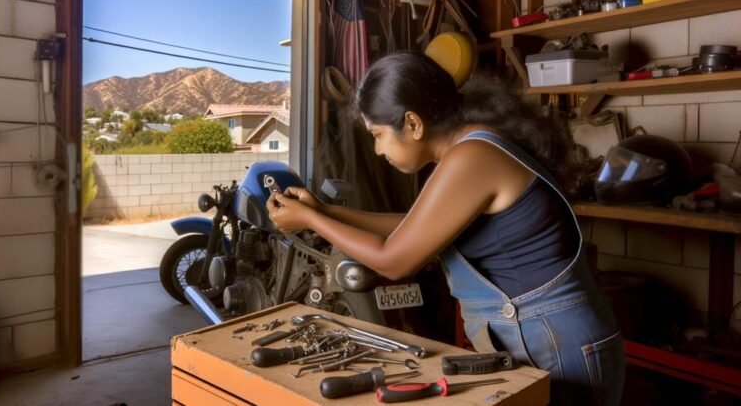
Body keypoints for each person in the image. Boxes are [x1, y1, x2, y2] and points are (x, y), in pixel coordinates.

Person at [267, 51, 624, 405]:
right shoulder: (470, 147)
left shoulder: (471, 157)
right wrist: (324, 210)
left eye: (377, 134)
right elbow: (411, 230)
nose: (377, 150)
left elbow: (394, 261)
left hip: (558, 344)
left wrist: (309, 221)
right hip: (549, 337)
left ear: (413, 124)